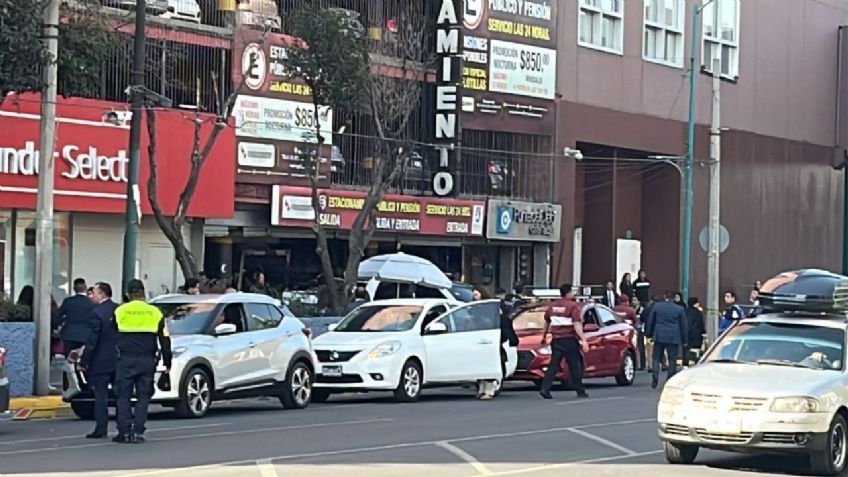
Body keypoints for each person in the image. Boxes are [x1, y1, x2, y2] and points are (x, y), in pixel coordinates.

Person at [113, 279, 172, 444]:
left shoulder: (120, 311)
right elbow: (165, 339)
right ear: (143, 293)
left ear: (127, 294)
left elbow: (111, 335)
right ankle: (138, 431)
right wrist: (168, 362)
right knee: (143, 396)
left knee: (123, 396)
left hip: (125, 359)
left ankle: (123, 432)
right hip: (147, 360)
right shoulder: (155, 312)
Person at [77, 282, 119, 439]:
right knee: (120, 395)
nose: (91, 296)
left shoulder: (96, 313)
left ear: (101, 293)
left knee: (100, 396)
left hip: (100, 360)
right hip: (118, 358)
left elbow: (92, 340)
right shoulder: (118, 310)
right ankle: (123, 428)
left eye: (93, 293)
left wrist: (84, 360)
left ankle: (101, 428)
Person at [539, 284, 589, 399]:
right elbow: (576, 324)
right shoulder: (573, 306)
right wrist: (583, 339)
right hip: (569, 339)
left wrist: (544, 336)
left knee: (553, 365)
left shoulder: (552, 306)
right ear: (568, 293)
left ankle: (545, 389)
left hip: (556, 339)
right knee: (574, 365)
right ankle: (580, 390)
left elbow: (547, 321)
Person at [646, 291, 688, 389]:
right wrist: (684, 340)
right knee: (672, 360)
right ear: (674, 298)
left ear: (665, 297)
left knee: (656, 357)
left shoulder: (657, 306)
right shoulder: (679, 309)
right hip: (673, 336)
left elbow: (651, 321)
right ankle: (669, 380)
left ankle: (655, 375)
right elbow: (683, 325)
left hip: (659, 335)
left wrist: (649, 334)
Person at [57, 278, 96, 357]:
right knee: (83, 359)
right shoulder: (91, 303)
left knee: (69, 359)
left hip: (69, 334)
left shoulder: (68, 301)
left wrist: (63, 322)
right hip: (86, 335)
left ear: (74, 289)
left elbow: (58, 316)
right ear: (85, 288)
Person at [684, 297, 706, 367]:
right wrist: (704, 332)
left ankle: (685, 363)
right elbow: (701, 324)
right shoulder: (698, 312)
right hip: (696, 333)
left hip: (686, 333)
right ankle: (694, 362)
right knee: (695, 350)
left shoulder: (685, 311)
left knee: (686, 349)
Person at [631, 296, 647, 370]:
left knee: (641, 348)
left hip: (640, 330)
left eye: (635, 300)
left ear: (638, 302)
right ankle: (636, 364)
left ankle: (642, 364)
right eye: (632, 300)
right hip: (633, 330)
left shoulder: (642, 310)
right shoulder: (631, 310)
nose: (633, 302)